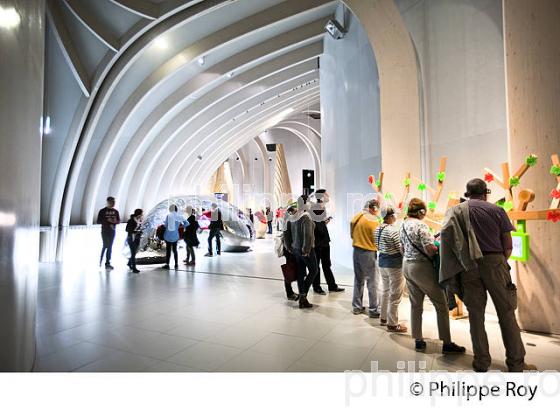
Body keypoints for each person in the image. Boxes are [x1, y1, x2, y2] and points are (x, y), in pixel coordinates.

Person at [444, 178, 533, 371]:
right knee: (506, 314)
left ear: (467, 194)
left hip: (469, 266)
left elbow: (448, 239)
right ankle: (516, 363)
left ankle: (481, 362)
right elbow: (508, 245)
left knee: (476, 316)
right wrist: (498, 263)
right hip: (495, 263)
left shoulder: (457, 211)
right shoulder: (497, 210)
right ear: (485, 193)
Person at [400, 198, 465, 354]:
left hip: (407, 266)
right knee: (441, 304)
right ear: (421, 212)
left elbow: (402, 248)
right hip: (421, 267)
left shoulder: (403, 224)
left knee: (416, 305)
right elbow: (430, 249)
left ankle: (418, 340)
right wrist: (437, 245)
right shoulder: (421, 225)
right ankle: (447, 342)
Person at [374, 206, 406, 332]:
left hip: (382, 262)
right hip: (394, 264)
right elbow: (401, 248)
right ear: (391, 217)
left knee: (385, 290)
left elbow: (377, 245)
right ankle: (392, 324)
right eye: (394, 215)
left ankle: (383, 318)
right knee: (395, 294)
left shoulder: (378, 229)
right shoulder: (393, 230)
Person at [284, 195, 318, 309]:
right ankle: (303, 296)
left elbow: (286, 232)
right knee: (314, 270)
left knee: (300, 273)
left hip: (295, 249)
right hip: (305, 249)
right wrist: (306, 249)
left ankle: (302, 298)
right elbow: (307, 235)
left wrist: (288, 246)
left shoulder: (293, 216)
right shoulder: (306, 216)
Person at [350, 199, 381, 317]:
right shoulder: (373, 221)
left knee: (358, 280)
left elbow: (351, 232)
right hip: (368, 252)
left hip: (356, 250)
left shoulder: (357, 217)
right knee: (372, 282)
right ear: (374, 208)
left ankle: (356, 307)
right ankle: (373, 310)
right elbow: (377, 239)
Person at [312, 189, 344, 294]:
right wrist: (322, 224)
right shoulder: (315, 208)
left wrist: (324, 223)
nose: (328, 196)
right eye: (326, 194)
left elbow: (319, 223)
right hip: (318, 243)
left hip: (324, 241)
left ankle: (332, 286)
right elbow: (315, 225)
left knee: (326, 265)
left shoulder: (322, 208)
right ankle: (316, 287)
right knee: (317, 266)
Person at [97, 196, 120, 269]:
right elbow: (98, 221)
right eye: (111, 202)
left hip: (112, 231)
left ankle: (107, 263)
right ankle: (101, 260)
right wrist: (107, 221)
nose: (113, 203)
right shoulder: (102, 211)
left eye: (114, 202)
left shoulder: (116, 211)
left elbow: (118, 221)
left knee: (110, 246)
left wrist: (114, 221)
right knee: (105, 245)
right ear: (107, 202)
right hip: (104, 231)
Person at [281, 206, 299, 301]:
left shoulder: (290, 221)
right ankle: (289, 293)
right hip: (289, 251)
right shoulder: (288, 222)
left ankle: (291, 292)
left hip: (291, 250)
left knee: (292, 270)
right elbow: (287, 238)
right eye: (295, 212)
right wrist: (290, 249)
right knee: (289, 271)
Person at [163, 204, 187, 269]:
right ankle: (176, 264)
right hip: (175, 235)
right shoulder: (180, 216)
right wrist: (180, 227)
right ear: (176, 209)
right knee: (175, 250)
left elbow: (165, 225)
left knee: (168, 250)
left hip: (168, 235)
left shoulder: (168, 216)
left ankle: (167, 264)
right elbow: (187, 223)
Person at [125, 209, 143, 273]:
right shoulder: (131, 220)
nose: (142, 215)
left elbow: (139, 228)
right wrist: (136, 231)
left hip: (137, 238)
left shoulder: (139, 220)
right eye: (141, 214)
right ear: (139, 214)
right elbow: (127, 229)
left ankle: (129, 263)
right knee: (133, 252)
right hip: (131, 238)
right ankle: (134, 268)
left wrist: (140, 231)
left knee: (135, 252)